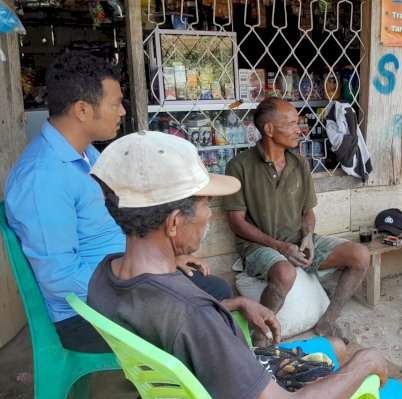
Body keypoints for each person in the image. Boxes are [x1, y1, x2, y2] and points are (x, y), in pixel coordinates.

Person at [87, 131, 402, 399]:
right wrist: (366, 363)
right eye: (205, 204)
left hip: (211, 382)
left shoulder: (106, 275)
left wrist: (231, 303)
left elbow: (171, 317)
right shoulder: (193, 314)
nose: (208, 213)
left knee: (337, 346)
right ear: (174, 222)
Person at [3, 51, 240, 353]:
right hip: (85, 314)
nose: (122, 111)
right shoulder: (42, 177)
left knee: (211, 290)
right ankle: (165, 388)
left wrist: (160, 261)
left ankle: (169, 381)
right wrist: (141, 276)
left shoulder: (87, 155)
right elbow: (60, 279)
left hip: (120, 283)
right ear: (83, 110)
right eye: (115, 104)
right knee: (206, 305)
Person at [224, 97, 370, 341]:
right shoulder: (239, 166)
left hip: (297, 240)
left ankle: (327, 322)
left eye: (298, 123)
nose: (299, 130)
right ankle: (261, 337)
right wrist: (281, 247)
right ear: (269, 129)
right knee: (284, 273)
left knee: (360, 256)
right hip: (258, 248)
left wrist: (309, 238)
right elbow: (237, 223)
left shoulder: (299, 163)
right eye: (291, 124)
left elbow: (307, 212)